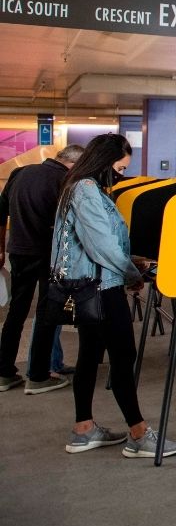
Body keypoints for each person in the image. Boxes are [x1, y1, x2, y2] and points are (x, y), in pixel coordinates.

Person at [53, 134, 176, 457]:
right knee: (123, 357)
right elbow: (102, 245)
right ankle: (138, 434)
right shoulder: (85, 190)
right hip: (102, 288)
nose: (121, 175)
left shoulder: (79, 187)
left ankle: (84, 429)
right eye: (119, 168)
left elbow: (98, 242)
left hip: (91, 285)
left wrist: (132, 260)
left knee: (89, 356)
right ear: (105, 163)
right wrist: (132, 273)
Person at [0, 145, 84, 394]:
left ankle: (4, 373)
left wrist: (1, 249)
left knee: (17, 311)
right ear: (75, 164)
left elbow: (1, 212)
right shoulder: (65, 182)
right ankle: (37, 376)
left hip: (18, 251)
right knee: (48, 312)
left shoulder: (20, 173)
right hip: (50, 255)